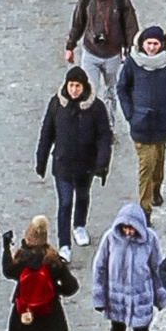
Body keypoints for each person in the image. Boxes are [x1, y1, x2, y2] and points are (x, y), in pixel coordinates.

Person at [91, 194, 166, 331]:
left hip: (140, 299)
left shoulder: (150, 241)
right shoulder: (110, 238)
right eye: (124, 227)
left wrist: (160, 296)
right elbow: (100, 267)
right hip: (117, 299)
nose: (127, 231)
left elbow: (157, 269)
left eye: (131, 228)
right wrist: (99, 296)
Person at [35, 66, 112, 251]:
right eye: (71, 86)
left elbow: (104, 137)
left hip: (86, 164)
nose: (74, 90)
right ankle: (64, 244)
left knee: (83, 196)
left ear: (83, 87)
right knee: (65, 202)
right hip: (62, 164)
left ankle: (79, 225)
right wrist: (41, 159)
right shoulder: (57, 104)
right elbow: (47, 133)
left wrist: (102, 163)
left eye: (77, 86)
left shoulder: (96, 107)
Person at [117, 23, 166, 212]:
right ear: (142, 43)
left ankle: (156, 188)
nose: (151, 47)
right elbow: (122, 87)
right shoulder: (133, 62)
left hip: (163, 121)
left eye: (155, 44)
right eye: (148, 43)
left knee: (158, 162)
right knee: (146, 166)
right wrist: (130, 113)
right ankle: (145, 209)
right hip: (140, 123)